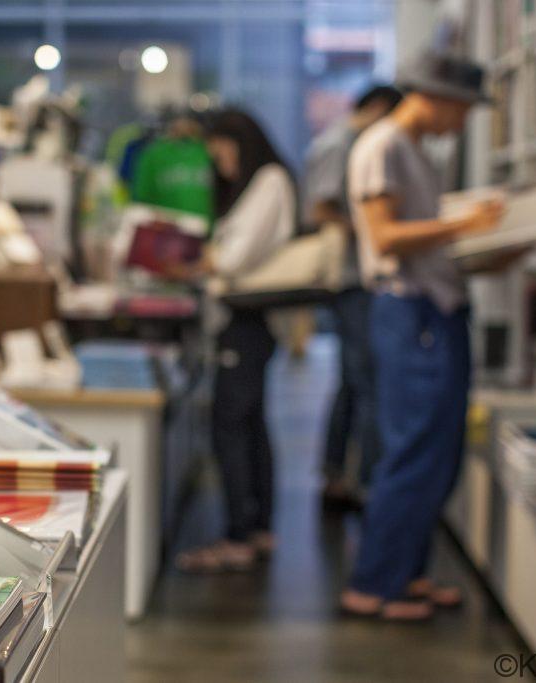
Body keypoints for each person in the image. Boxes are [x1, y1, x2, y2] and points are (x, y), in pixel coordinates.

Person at [338, 53, 508, 621]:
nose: (463, 122)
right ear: (435, 97)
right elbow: (384, 237)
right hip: (410, 315)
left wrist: (496, 245)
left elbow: (428, 244)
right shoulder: (381, 146)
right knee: (412, 449)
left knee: (438, 451)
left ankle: (405, 574)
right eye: (462, 108)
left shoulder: (415, 152)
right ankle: (374, 584)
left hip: (436, 310)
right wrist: (468, 224)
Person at [173, 109, 297, 572]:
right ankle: (256, 527)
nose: (220, 164)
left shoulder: (269, 180)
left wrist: (198, 261)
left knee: (231, 427)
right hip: (246, 322)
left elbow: (237, 257)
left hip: (246, 321)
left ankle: (238, 537)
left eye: (222, 153)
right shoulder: (265, 181)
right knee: (250, 424)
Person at [304, 85, 403, 509]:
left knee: (352, 382)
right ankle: (364, 485)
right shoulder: (340, 144)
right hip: (350, 278)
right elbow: (319, 208)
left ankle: (337, 476)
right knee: (366, 382)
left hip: (356, 279)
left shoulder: (351, 142)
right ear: (378, 109)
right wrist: (374, 228)